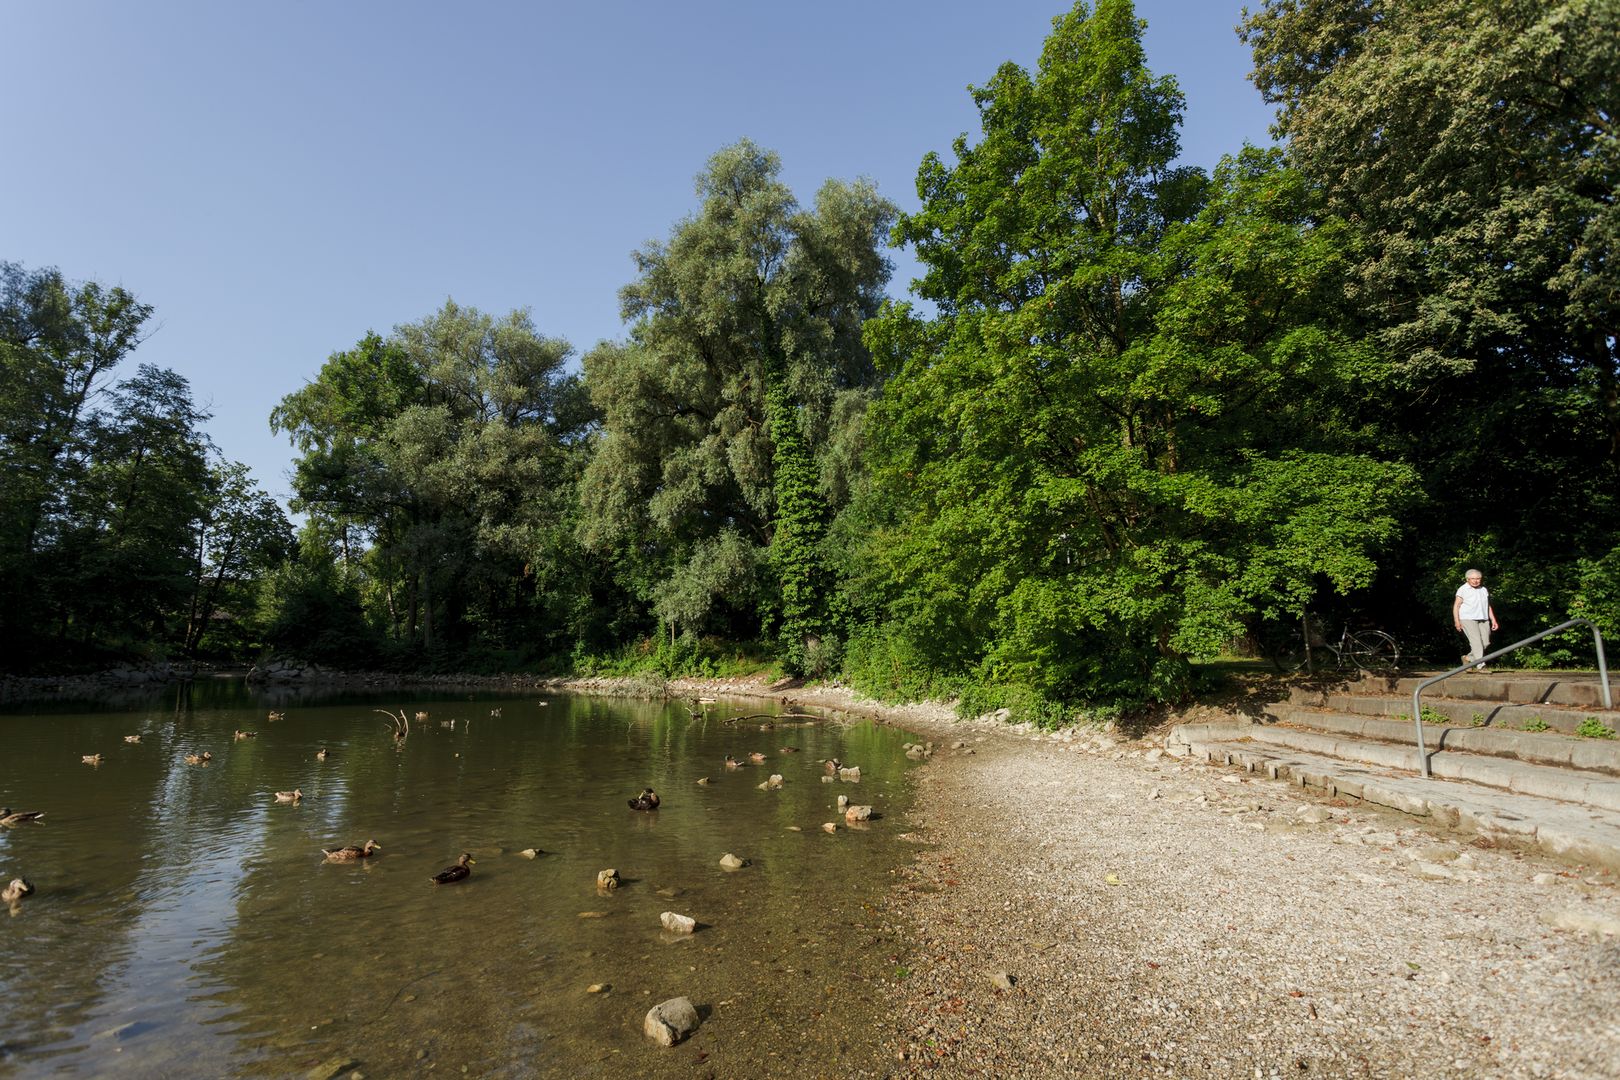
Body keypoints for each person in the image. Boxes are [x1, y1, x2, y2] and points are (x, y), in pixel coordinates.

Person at [1452, 569, 1499, 672]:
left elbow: (1487, 606)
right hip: (1468, 618)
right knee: (1476, 643)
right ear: (1467, 579)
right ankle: (1481, 666)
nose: (1475, 581)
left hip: (1483, 618)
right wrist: (1457, 621)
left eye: (1478, 579)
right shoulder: (1463, 589)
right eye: (1473, 579)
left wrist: (1493, 619)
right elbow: (1456, 606)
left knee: (1485, 643)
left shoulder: (1483, 590)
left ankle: (1468, 659)